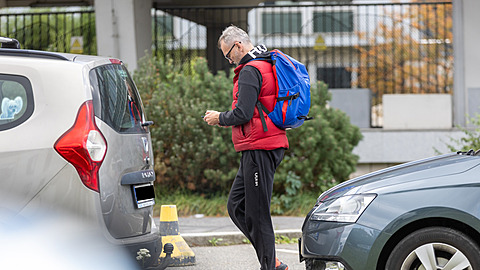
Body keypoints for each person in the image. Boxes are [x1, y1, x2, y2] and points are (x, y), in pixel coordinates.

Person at [203, 25, 289, 270]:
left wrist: (218, 117)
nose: (229, 60)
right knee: (236, 206)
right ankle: (271, 260)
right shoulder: (262, 64)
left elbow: (242, 113)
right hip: (256, 147)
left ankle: (269, 266)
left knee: (258, 213)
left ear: (239, 45)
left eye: (229, 54)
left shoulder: (251, 70)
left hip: (260, 147)